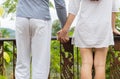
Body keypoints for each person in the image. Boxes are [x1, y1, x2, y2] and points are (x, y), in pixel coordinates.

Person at [57, 0, 120, 79]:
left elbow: (73, 9)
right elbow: (114, 9)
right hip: (103, 28)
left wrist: (65, 30)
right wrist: (113, 28)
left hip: (85, 27)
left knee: (86, 63)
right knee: (100, 65)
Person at [15, 0, 67, 79]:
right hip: (41, 19)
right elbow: (60, 4)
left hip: (21, 18)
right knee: (40, 64)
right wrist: (64, 28)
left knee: (22, 64)